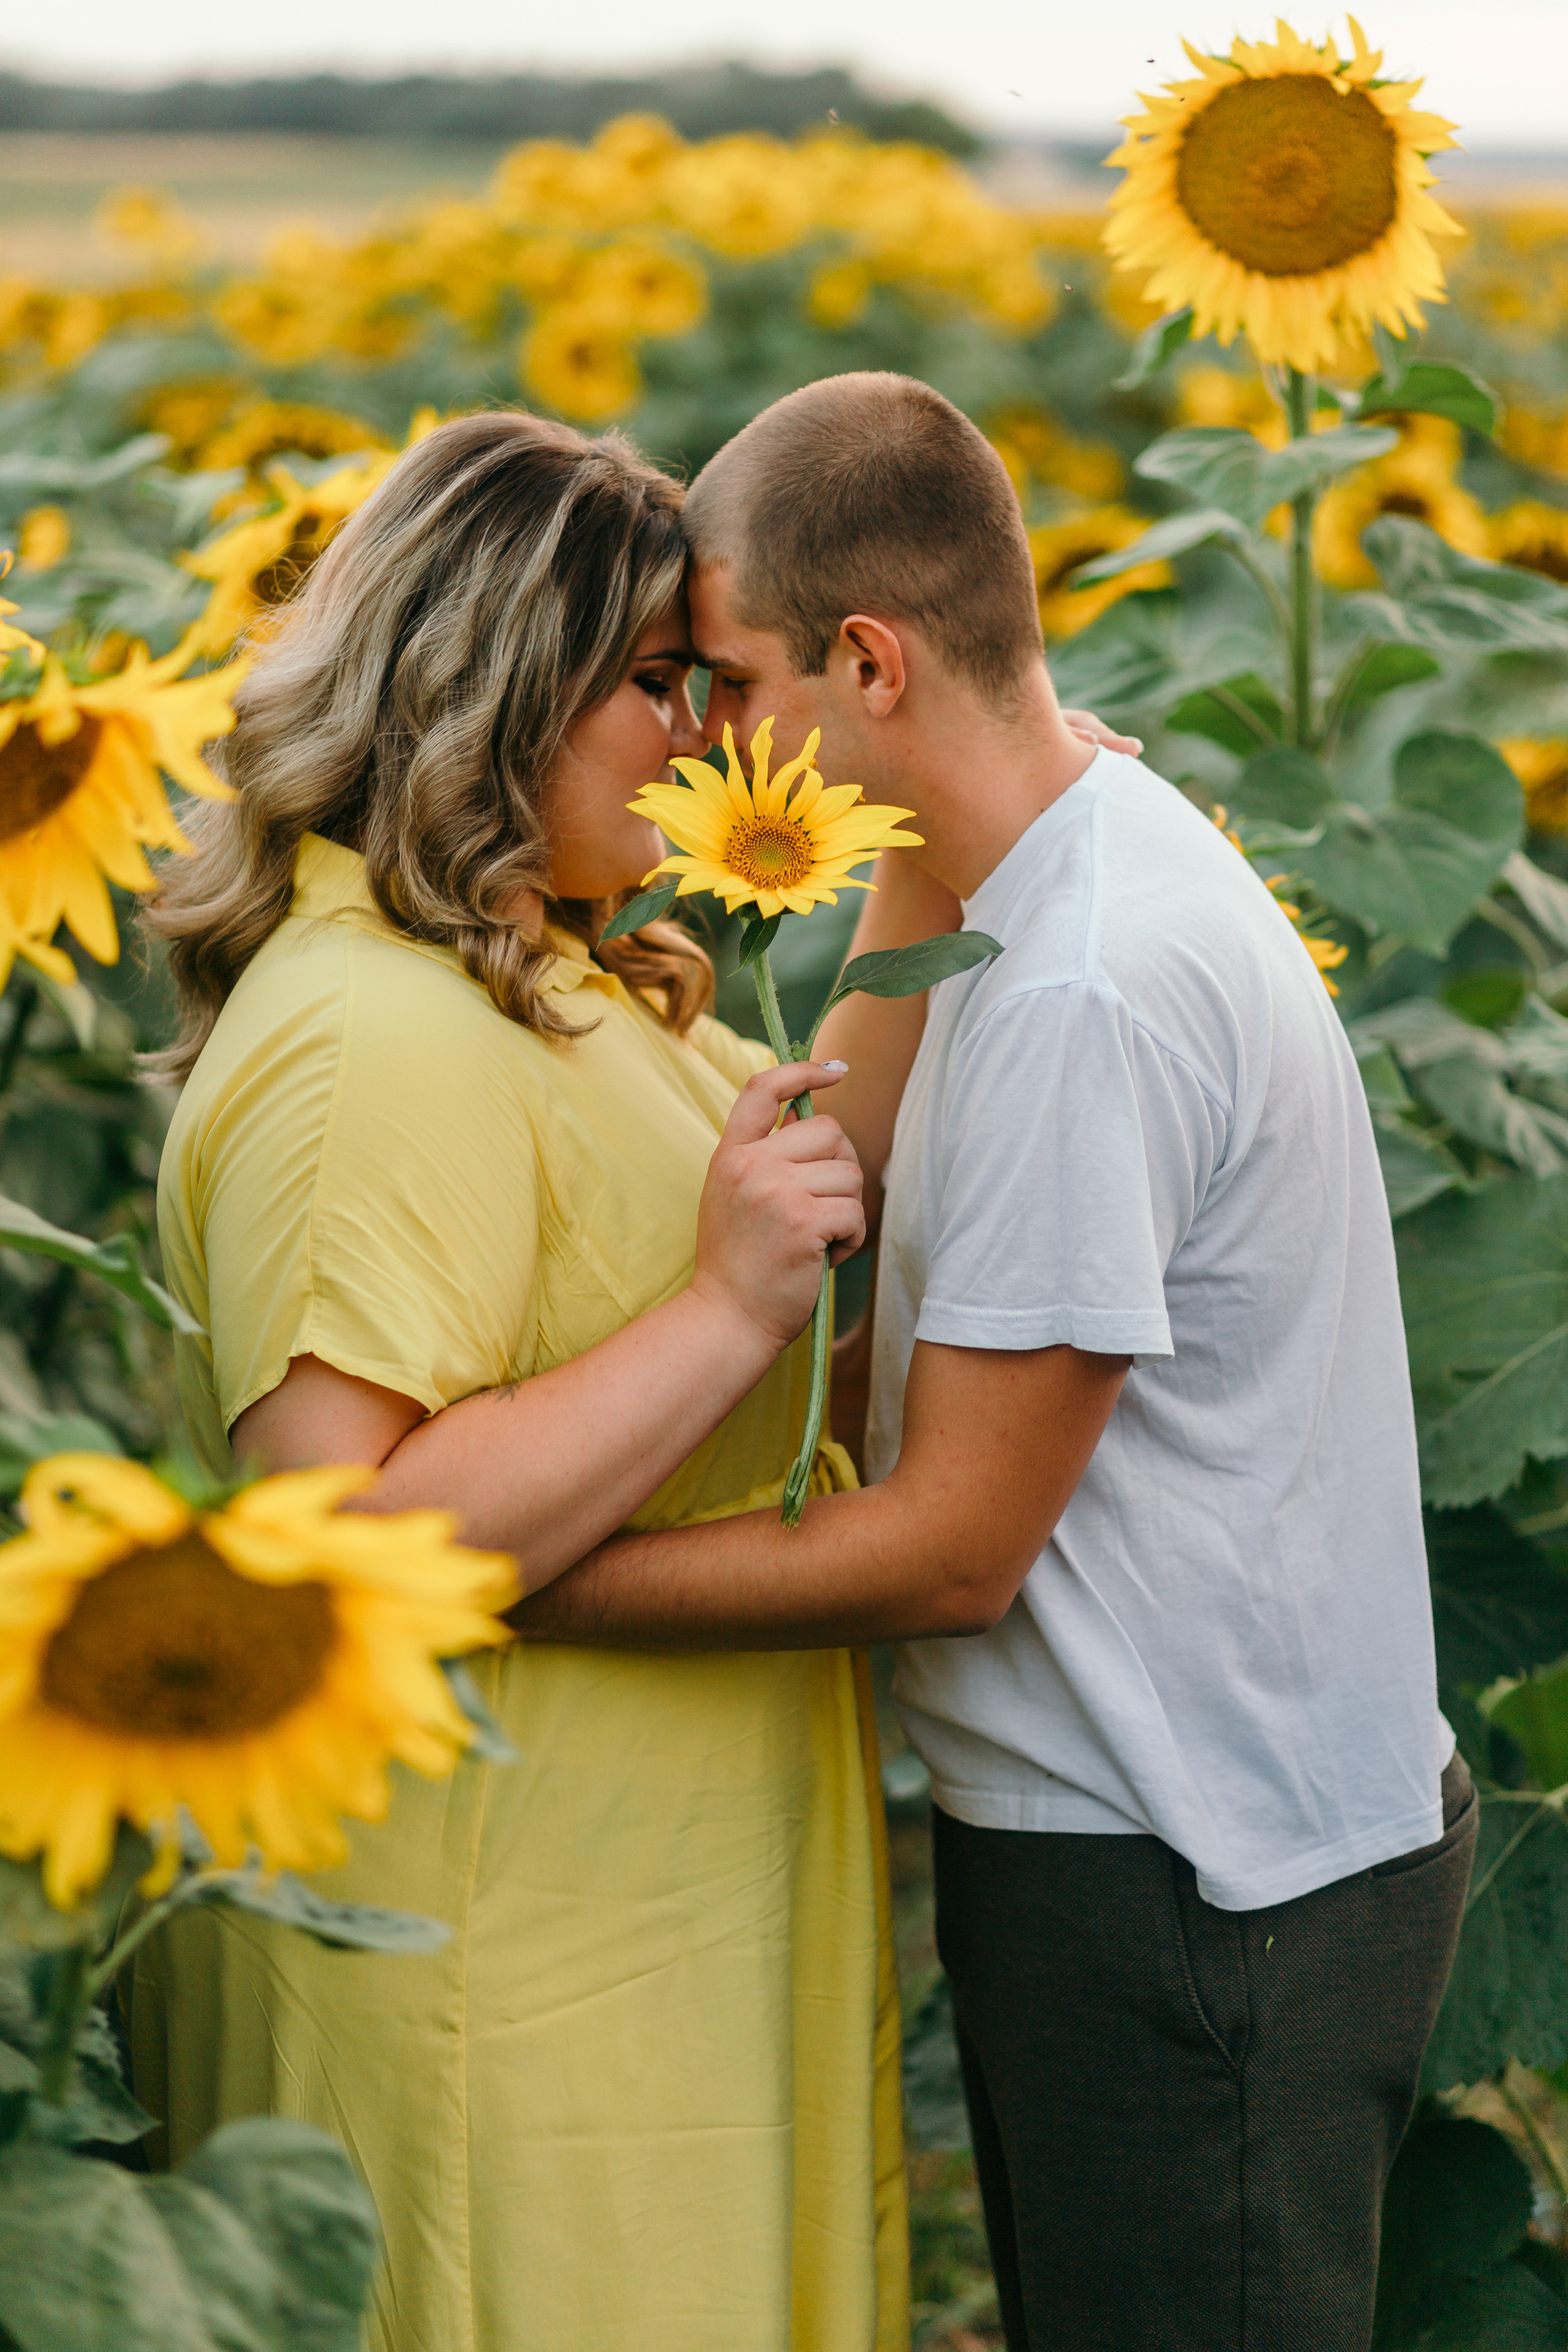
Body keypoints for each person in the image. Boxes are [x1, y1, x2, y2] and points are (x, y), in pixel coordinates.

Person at [512, 372, 1479, 2352]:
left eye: (731, 677)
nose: (706, 738)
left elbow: (954, 1547)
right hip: (1203, 1833)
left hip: (1195, 1885)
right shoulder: (1056, 871)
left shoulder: (1081, 1000)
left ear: (866, 659)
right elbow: (846, 1190)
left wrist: (524, 1575)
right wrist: (908, 856)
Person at [130, 410, 907, 2352]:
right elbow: (352, 1540)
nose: (709, 738)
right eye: (661, 683)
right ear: (495, 678)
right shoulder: (372, 1037)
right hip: (492, 1974)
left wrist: (979, 830)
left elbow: (847, 1172)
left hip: (624, 1935)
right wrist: (728, 1314)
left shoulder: (545, 974)